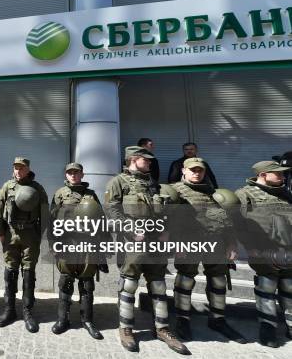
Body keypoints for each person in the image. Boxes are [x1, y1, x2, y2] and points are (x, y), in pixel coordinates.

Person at [105, 146, 189, 355]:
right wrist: (131, 230)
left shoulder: (152, 183)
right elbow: (112, 211)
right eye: (146, 159)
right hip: (133, 242)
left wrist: (166, 232)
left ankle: (162, 328)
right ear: (134, 159)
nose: (150, 162)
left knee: (159, 285)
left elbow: (161, 212)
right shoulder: (118, 182)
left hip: (156, 243)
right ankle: (125, 328)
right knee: (129, 285)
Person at [170, 158, 246, 343]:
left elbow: (227, 221)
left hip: (216, 243)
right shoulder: (174, 191)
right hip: (189, 243)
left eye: (200, 170)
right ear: (184, 171)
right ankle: (182, 320)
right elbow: (168, 221)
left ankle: (218, 319)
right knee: (185, 280)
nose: (197, 173)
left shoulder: (215, 193)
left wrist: (231, 244)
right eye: (193, 170)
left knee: (219, 281)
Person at [235, 160, 292, 348]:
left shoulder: (285, 193)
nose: (283, 177)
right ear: (263, 175)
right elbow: (238, 224)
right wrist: (249, 247)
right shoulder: (244, 194)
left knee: (289, 288)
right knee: (267, 288)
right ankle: (267, 329)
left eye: (283, 174)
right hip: (262, 251)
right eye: (278, 174)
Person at [49, 162, 107, 339]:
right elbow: (51, 221)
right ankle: (62, 319)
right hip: (67, 243)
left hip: (88, 245)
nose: (73, 175)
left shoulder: (91, 195)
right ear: (66, 175)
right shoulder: (60, 194)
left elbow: (101, 220)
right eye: (70, 173)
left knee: (87, 284)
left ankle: (87, 320)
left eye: (76, 172)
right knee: (66, 282)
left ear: (82, 174)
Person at [0, 157, 48, 333]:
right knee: (10, 272)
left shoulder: (37, 188)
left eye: (21, 168)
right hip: (11, 234)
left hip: (29, 235)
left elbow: (45, 214)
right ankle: (9, 310)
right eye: (16, 168)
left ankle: (27, 311)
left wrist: (38, 236)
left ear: (28, 169)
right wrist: (1, 233)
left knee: (28, 273)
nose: (18, 171)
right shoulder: (6, 187)